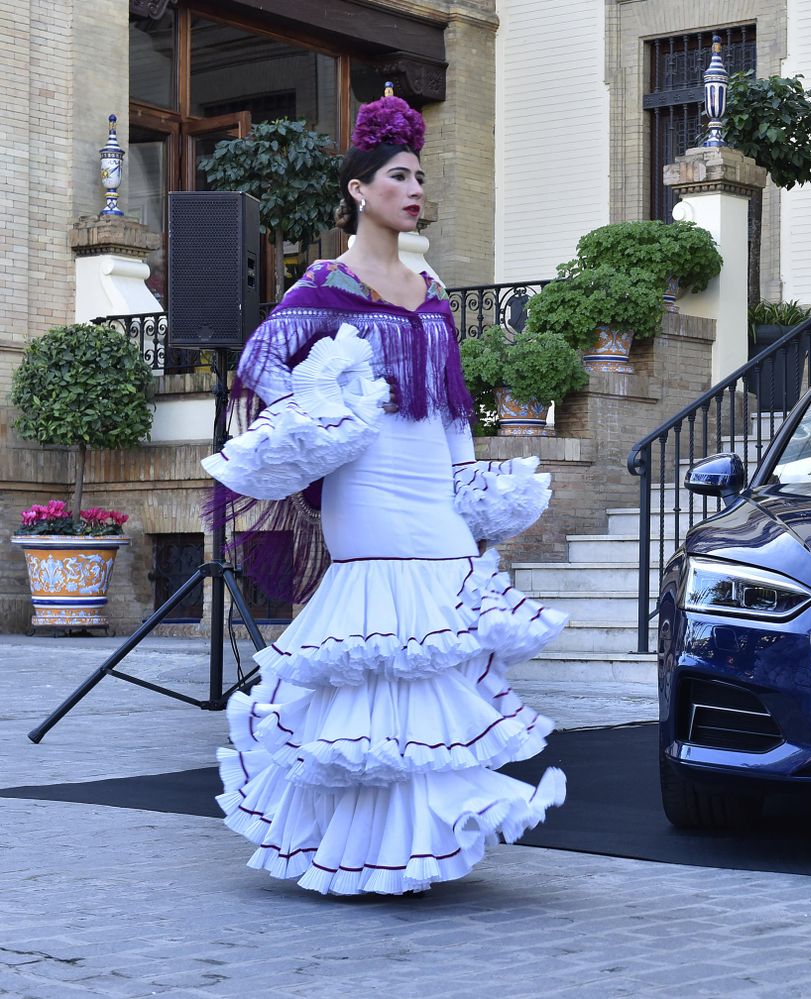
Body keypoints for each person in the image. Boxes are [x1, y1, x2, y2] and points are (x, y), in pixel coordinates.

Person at [201, 87, 567, 896]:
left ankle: (420, 840)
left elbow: (452, 401)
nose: (415, 190)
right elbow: (260, 363)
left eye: (420, 178)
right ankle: (359, 849)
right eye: (398, 176)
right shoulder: (321, 285)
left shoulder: (431, 289)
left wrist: (472, 483)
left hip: (430, 480)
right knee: (377, 649)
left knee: (434, 643)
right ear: (358, 191)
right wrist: (320, 420)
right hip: (365, 483)